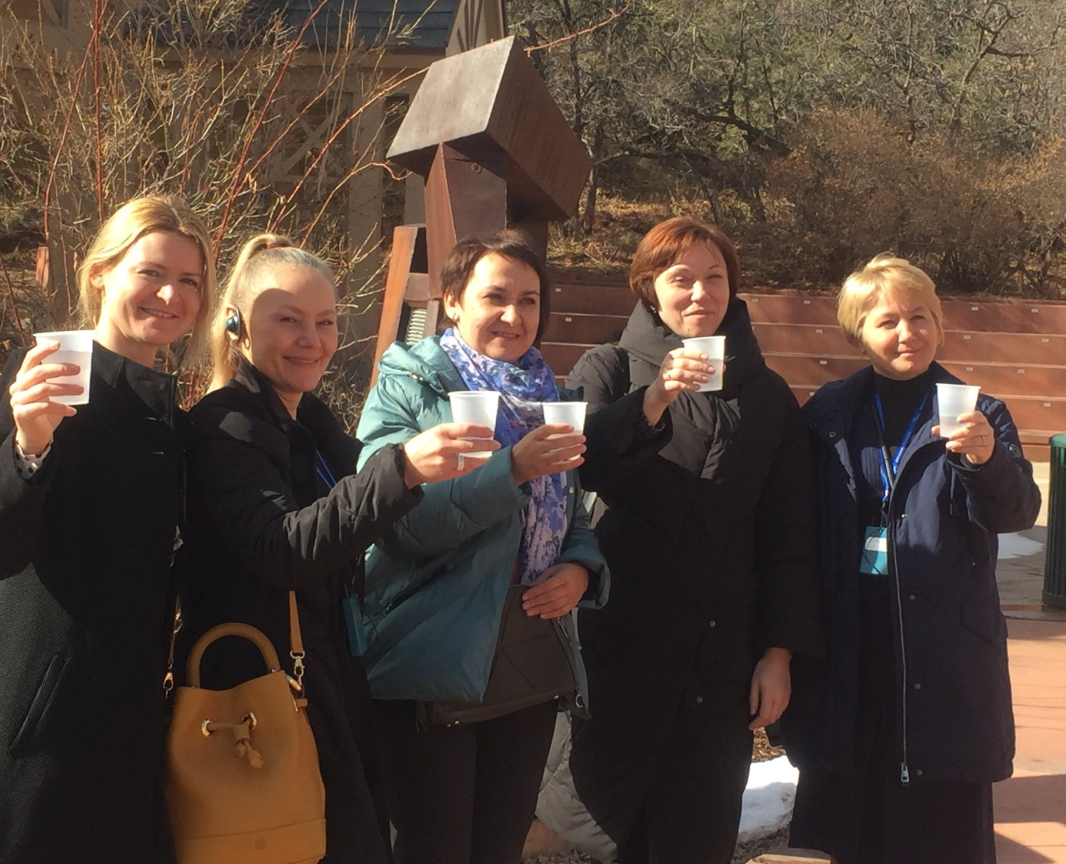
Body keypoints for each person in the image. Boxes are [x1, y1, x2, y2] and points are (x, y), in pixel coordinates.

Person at [0, 196, 216, 863]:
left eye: (189, 280)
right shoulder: (39, 376)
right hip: (32, 724)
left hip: (123, 733)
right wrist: (27, 447)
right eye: (151, 271)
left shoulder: (175, 422)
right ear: (101, 272)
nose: (170, 294)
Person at [176, 234, 496, 864]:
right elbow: (285, 549)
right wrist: (402, 468)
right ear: (238, 326)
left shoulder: (312, 425)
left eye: (324, 322)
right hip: (260, 693)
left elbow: (373, 516)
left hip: (331, 677)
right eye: (288, 320)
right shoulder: (224, 426)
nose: (312, 340)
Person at [538, 216, 823, 864]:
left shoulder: (771, 398)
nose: (700, 292)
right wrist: (655, 396)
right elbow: (581, 467)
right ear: (649, 289)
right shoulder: (607, 368)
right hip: (616, 648)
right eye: (681, 278)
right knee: (598, 833)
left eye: (714, 278)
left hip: (719, 661)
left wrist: (779, 653)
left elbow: (789, 535)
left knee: (696, 834)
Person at [354, 230, 610, 864]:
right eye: (495, 296)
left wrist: (581, 565)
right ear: (452, 302)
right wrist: (511, 471)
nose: (514, 315)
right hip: (433, 655)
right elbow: (398, 527)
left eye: (529, 300)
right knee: (433, 848)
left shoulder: (551, 394)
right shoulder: (407, 386)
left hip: (525, 650)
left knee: (498, 846)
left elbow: (568, 512)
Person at [784, 255, 1042, 864]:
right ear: (859, 332)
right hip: (850, 645)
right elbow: (794, 522)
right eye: (889, 320)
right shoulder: (828, 412)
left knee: (941, 826)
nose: (908, 333)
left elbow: (1017, 512)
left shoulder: (980, 411)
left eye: (921, 316)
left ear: (940, 324)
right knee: (850, 823)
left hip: (943, 650)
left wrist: (987, 461)